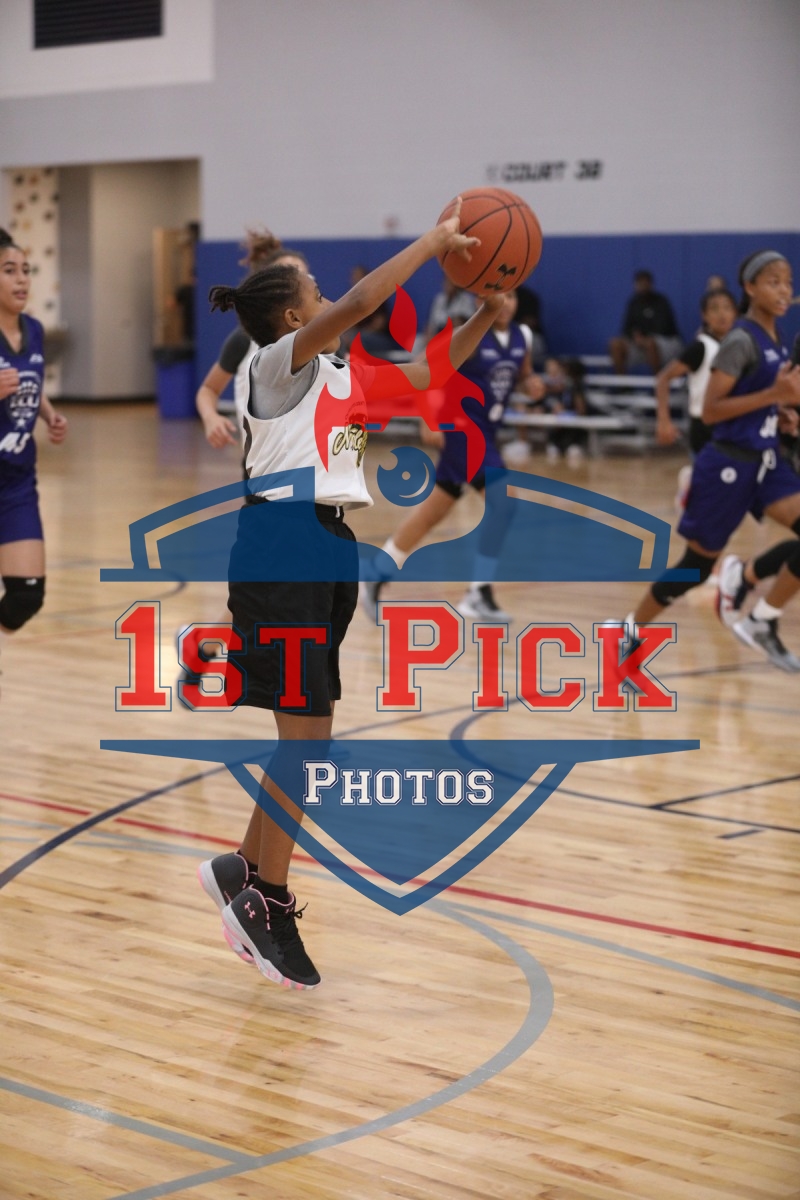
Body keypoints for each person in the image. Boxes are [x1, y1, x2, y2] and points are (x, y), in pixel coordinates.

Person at [197, 202, 506, 988]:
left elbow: (431, 372)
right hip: (283, 545)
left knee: (309, 731)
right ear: (295, 317)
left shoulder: (340, 372)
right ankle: (264, 900)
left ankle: (244, 867)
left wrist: (483, 314)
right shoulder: (276, 365)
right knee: (305, 737)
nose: (329, 291)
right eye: (314, 287)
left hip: (326, 543)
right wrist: (432, 241)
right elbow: (366, 300)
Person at [620, 250, 800, 671]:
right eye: (773, 282)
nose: (784, 290)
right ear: (750, 288)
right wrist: (774, 396)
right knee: (696, 568)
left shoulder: (775, 339)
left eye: (788, 282)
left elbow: (754, 400)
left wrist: (779, 414)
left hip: (766, 462)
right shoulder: (741, 340)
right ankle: (628, 632)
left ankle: (762, 618)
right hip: (727, 466)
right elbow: (713, 411)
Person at [360, 288, 544, 623]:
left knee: (432, 513)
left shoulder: (522, 336)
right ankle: (478, 593)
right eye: (499, 296)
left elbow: (522, 375)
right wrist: (427, 419)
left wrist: (530, 384)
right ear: (480, 301)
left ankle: (377, 571)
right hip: (461, 429)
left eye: (513, 297)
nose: (507, 303)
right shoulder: (467, 334)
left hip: (486, 432)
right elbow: (422, 366)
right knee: (504, 504)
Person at [0, 229, 68, 658]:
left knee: (26, 596)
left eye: (26, 270)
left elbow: (31, 381)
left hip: (16, 483)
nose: (22, 279)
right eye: (9, 270)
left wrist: (48, 414)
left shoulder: (34, 330)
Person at [195, 229, 308, 449]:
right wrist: (211, 418)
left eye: (304, 277)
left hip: (313, 459)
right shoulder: (245, 339)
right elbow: (208, 390)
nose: (298, 283)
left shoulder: (326, 340)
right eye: (288, 278)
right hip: (262, 460)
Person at [655, 288, 738, 510]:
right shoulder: (701, 347)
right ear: (704, 315)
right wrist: (664, 420)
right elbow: (663, 379)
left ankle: (691, 480)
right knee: (713, 494)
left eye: (727, 308)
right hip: (704, 426)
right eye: (714, 309)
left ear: (736, 313)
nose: (722, 314)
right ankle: (691, 487)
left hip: (731, 423)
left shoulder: (738, 346)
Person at [609, 269, 683, 374]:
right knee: (615, 344)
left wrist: (644, 337)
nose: (642, 286)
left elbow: (664, 327)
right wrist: (635, 336)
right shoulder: (633, 303)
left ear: (651, 284)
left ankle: (659, 380)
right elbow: (626, 328)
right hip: (639, 344)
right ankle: (621, 382)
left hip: (664, 342)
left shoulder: (661, 301)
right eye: (639, 283)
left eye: (645, 283)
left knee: (650, 343)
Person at [542, 356, 589, 463]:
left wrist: (566, 412)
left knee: (573, 453)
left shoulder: (575, 387)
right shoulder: (549, 388)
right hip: (557, 427)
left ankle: (575, 443)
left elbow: (581, 410)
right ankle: (555, 443)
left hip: (573, 428)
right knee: (553, 452)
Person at [426, 274, 475, 339]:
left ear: (456, 284)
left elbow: (466, 323)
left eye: (450, 283)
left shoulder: (466, 299)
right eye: (446, 282)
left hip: (458, 336)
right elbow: (431, 324)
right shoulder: (439, 299)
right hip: (438, 335)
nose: (447, 285)